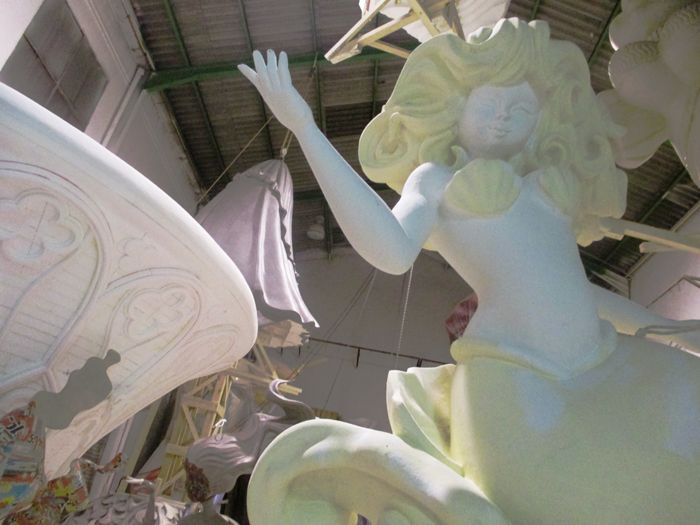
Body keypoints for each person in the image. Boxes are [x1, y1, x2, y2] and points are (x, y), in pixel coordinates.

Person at [239, 18, 700, 525]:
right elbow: (391, 251)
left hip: (602, 359)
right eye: (488, 106)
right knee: (576, 501)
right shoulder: (436, 180)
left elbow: (576, 291)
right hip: (516, 369)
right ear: (454, 108)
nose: (502, 120)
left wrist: (667, 327)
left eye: (520, 110)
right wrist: (306, 129)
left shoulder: (548, 189)